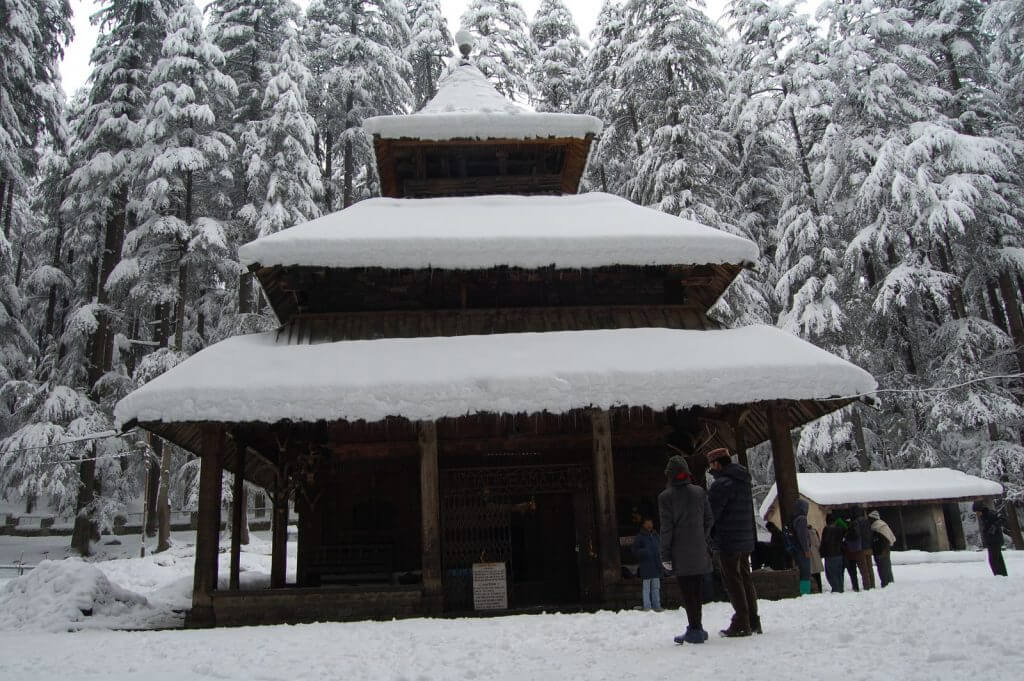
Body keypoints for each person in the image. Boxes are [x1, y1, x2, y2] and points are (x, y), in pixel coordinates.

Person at [659, 454, 713, 644]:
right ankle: (697, 627)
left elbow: (667, 528)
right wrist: (701, 538)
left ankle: (694, 629)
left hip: (679, 552)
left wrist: (664, 554)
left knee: (687, 591)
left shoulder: (666, 497)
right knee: (696, 591)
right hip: (699, 549)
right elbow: (709, 519)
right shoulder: (699, 492)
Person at [706, 447, 761, 637]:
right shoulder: (742, 481)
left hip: (728, 539)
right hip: (745, 538)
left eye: (711, 465)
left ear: (716, 463)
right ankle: (753, 620)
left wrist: (708, 534)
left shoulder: (721, 484)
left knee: (733, 580)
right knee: (745, 577)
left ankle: (741, 622)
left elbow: (711, 514)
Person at [633, 517, 663, 610]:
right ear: (644, 524)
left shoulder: (656, 535)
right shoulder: (640, 537)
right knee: (646, 588)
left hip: (656, 565)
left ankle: (657, 606)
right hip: (646, 565)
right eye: (647, 523)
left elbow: (660, 547)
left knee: (656, 587)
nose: (650, 525)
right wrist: (645, 551)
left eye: (651, 522)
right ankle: (647, 607)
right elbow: (634, 550)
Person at [974, 501, 1008, 576]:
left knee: (993, 560)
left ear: (981, 509)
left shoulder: (991, 513)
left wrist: (995, 526)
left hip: (995, 540)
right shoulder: (983, 516)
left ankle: (999, 575)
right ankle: (1002, 575)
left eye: (977, 511)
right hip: (990, 541)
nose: (977, 513)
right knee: (997, 559)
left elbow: (1003, 519)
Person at [868, 510, 896, 587]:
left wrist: (884, 550)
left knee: (883, 568)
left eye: (870, 518)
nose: (869, 520)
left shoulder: (878, 527)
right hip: (882, 551)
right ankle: (888, 582)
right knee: (885, 567)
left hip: (882, 551)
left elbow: (885, 540)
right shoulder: (880, 526)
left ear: (873, 518)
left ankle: (886, 583)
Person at [791, 499, 812, 595]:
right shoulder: (802, 519)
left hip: (797, 549)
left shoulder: (794, 517)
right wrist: (806, 550)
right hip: (802, 550)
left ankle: (804, 591)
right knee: (805, 572)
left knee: (802, 572)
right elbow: (803, 536)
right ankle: (805, 592)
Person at [820, 515, 846, 592]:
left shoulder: (826, 529)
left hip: (830, 555)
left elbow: (824, 542)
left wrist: (822, 553)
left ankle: (836, 588)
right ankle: (840, 588)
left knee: (831, 573)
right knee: (839, 573)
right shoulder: (840, 529)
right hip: (839, 553)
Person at [854, 509, 876, 590]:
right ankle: (872, 584)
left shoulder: (856, 522)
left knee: (864, 569)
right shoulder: (867, 522)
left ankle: (867, 586)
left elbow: (857, 534)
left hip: (861, 548)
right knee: (870, 567)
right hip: (869, 547)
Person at [842, 516, 862, 592]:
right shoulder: (856, 530)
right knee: (853, 572)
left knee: (846, 571)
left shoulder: (847, 532)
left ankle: (805, 591)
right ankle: (856, 586)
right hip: (855, 553)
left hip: (847, 554)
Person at [809, 522, 824, 593]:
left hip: (808, 555)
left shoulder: (802, 533)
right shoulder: (813, 532)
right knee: (817, 574)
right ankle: (819, 589)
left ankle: (807, 590)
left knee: (808, 574)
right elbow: (818, 544)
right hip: (815, 554)